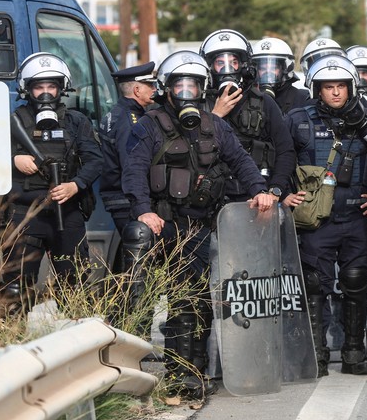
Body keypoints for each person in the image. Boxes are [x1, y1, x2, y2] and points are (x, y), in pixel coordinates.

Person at [121, 52, 274, 398]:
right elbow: (133, 172)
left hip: (199, 225)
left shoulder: (215, 125)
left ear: (202, 88)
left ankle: (192, 371)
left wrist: (260, 192)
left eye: (193, 84)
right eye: (180, 84)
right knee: (158, 293)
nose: (187, 91)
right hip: (163, 222)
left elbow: (242, 161)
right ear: (168, 89)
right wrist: (144, 211)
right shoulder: (149, 124)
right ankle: (159, 371)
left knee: (194, 299)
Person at [284, 54, 367, 377]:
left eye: (341, 86)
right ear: (317, 89)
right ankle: (317, 355)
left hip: (356, 212)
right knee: (315, 284)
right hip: (316, 217)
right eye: (328, 87)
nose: (336, 93)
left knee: (355, 279)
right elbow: (283, 157)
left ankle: (354, 352)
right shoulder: (298, 119)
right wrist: (284, 192)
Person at [2, 52, 103, 311]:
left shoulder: (75, 121)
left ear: (62, 88)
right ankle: (16, 348)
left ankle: (75, 347)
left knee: (74, 288)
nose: (45, 93)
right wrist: (13, 159)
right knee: (16, 289)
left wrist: (75, 185)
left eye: (51, 86)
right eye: (39, 87)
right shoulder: (12, 122)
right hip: (25, 215)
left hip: (67, 214)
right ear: (28, 89)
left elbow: (95, 160)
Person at [200, 29, 295, 204]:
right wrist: (215, 116)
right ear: (210, 67)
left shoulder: (264, 102)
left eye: (233, 62)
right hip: (211, 198)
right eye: (220, 62)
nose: (227, 68)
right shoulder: (200, 104)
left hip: (257, 197)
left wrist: (275, 191)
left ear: (243, 66)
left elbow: (286, 151)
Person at [98, 62, 158, 250]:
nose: (155, 89)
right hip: (127, 201)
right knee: (141, 259)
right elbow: (131, 164)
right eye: (150, 85)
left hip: (121, 199)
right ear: (137, 89)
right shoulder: (130, 121)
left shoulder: (118, 113)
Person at [252, 36, 312, 114]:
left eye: (273, 68)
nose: (268, 73)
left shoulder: (304, 99)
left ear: (285, 69)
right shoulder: (247, 99)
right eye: (263, 68)